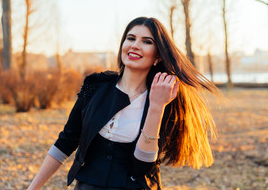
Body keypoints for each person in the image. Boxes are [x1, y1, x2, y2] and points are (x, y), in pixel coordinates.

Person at [27, 17, 218, 190]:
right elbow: (65, 142)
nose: (135, 45)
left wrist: (156, 107)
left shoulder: (164, 99)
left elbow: (141, 166)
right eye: (131, 38)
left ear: (157, 56)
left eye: (147, 42)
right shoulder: (95, 86)